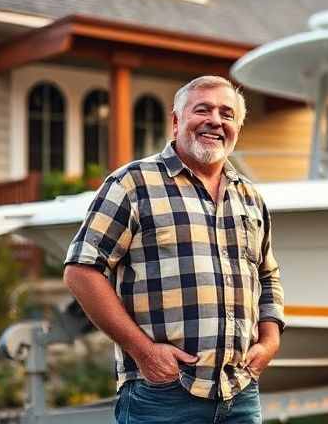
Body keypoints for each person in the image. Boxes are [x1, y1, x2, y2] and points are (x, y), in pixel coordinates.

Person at [63, 75, 284, 424]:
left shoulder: (250, 197)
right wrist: (144, 352)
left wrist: (270, 340)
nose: (216, 120)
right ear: (177, 120)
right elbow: (81, 270)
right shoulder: (132, 184)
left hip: (239, 392)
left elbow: (267, 273)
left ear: (237, 128)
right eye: (203, 109)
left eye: (227, 114)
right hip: (163, 393)